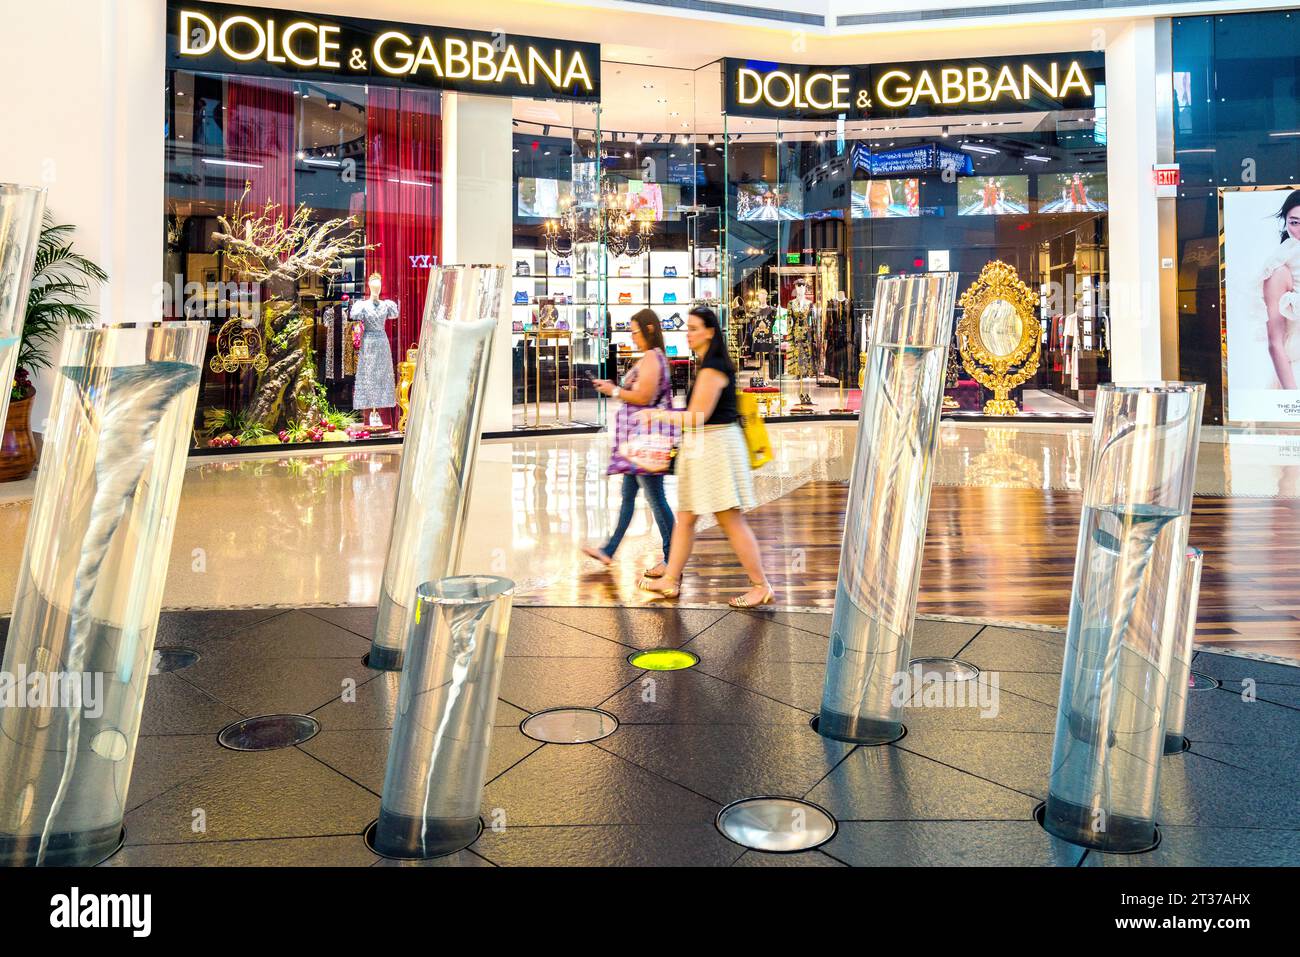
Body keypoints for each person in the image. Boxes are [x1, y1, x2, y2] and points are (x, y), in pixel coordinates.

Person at [638, 305, 773, 608]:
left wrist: (658, 415)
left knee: (730, 520)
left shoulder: (713, 369)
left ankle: (760, 585)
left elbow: (697, 416)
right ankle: (671, 579)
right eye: (687, 327)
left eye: (695, 328)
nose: (689, 333)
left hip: (716, 451)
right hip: (706, 450)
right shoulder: (707, 365)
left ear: (710, 332)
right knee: (686, 517)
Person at [582, 309, 675, 576]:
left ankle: (672, 559)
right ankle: (609, 550)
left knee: (656, 499)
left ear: (648, 329)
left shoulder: (651, 359)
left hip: (647, 443)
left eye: (634, 332)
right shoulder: (652, 358)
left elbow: (644, 397)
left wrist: (613, 390)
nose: (632, 337)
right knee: (628, 496)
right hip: (638, 444)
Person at [1262, 190, 1300, 389]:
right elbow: (1274, 343)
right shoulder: (1279, 272)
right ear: (1285, 223)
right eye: (1295, 222)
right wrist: (1292, 397)